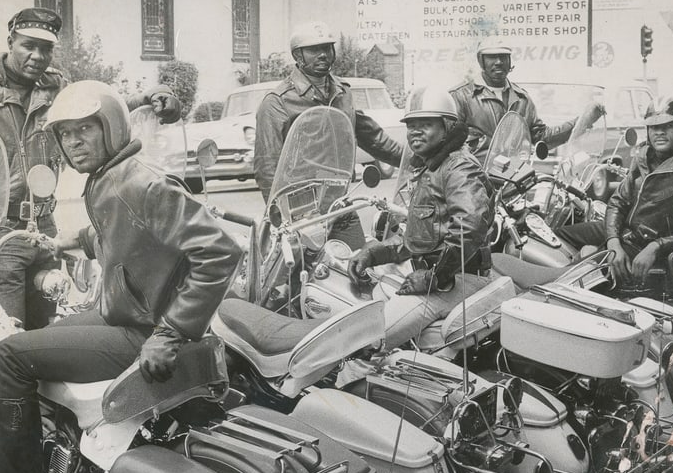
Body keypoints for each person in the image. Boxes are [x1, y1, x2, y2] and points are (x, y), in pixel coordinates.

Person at [0, 81, 241, 473]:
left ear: (112, 128)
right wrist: (70, 240)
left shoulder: (140, 183)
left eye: (85, 130)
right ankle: (61, 462)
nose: (74, 143)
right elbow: (131, 240)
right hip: (127, 314)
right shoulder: (112, 176)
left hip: (143, 329)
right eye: (65, 134)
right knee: (43, 334)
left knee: (10, 355)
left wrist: (171, 331)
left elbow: (220, 251)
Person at [0, 7, 180, 328]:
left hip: (45, 228)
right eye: (29, 45)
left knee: (44, 332)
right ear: (10, 41)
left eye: (46, 48)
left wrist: (143, 98)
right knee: (4, 336)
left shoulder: (54, 86)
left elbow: (95, 111)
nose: (38, 56)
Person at [346, 87, 492, 350]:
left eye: (426, 124)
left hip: (456, 279)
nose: (415, 132)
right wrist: (375, 252)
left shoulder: (458, 167)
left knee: (364, 340)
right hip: (438, 275)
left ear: (447, 127)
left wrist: (433, 277)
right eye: (411, 125)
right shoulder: (431, 166)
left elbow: (469, 227)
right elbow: (421, 235)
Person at [253, 21, 403, 248]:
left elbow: (373, 138)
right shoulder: (278, 102)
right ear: (298, 56)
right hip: (300, 210)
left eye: (327, 48)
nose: (323, 54)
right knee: (302, 277)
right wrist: (281, 217)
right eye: (314, 50)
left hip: (340, 204)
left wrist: (419, 157)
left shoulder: (342, 93)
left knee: (357, 269)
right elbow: (267, 166)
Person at [557, 98, 673, 286]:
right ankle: (588, 253)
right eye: (653, 127)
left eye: (667, 126)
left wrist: (657, 246)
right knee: (556, 236)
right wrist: (613, 241)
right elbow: (618, 202)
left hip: (650, 245)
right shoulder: (643, 157)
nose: (659, 132)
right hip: (626, 232)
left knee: (583, 274)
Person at [450, 38, 604, 158]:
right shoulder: (461, 96)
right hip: (475, 179)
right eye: (491, 57)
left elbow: (542, 137)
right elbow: (446, 144)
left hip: (513, 180)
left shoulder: (522, 99)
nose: (498, 62)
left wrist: (583, 120)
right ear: (481, 60)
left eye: (503, 57)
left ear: (510, 60)